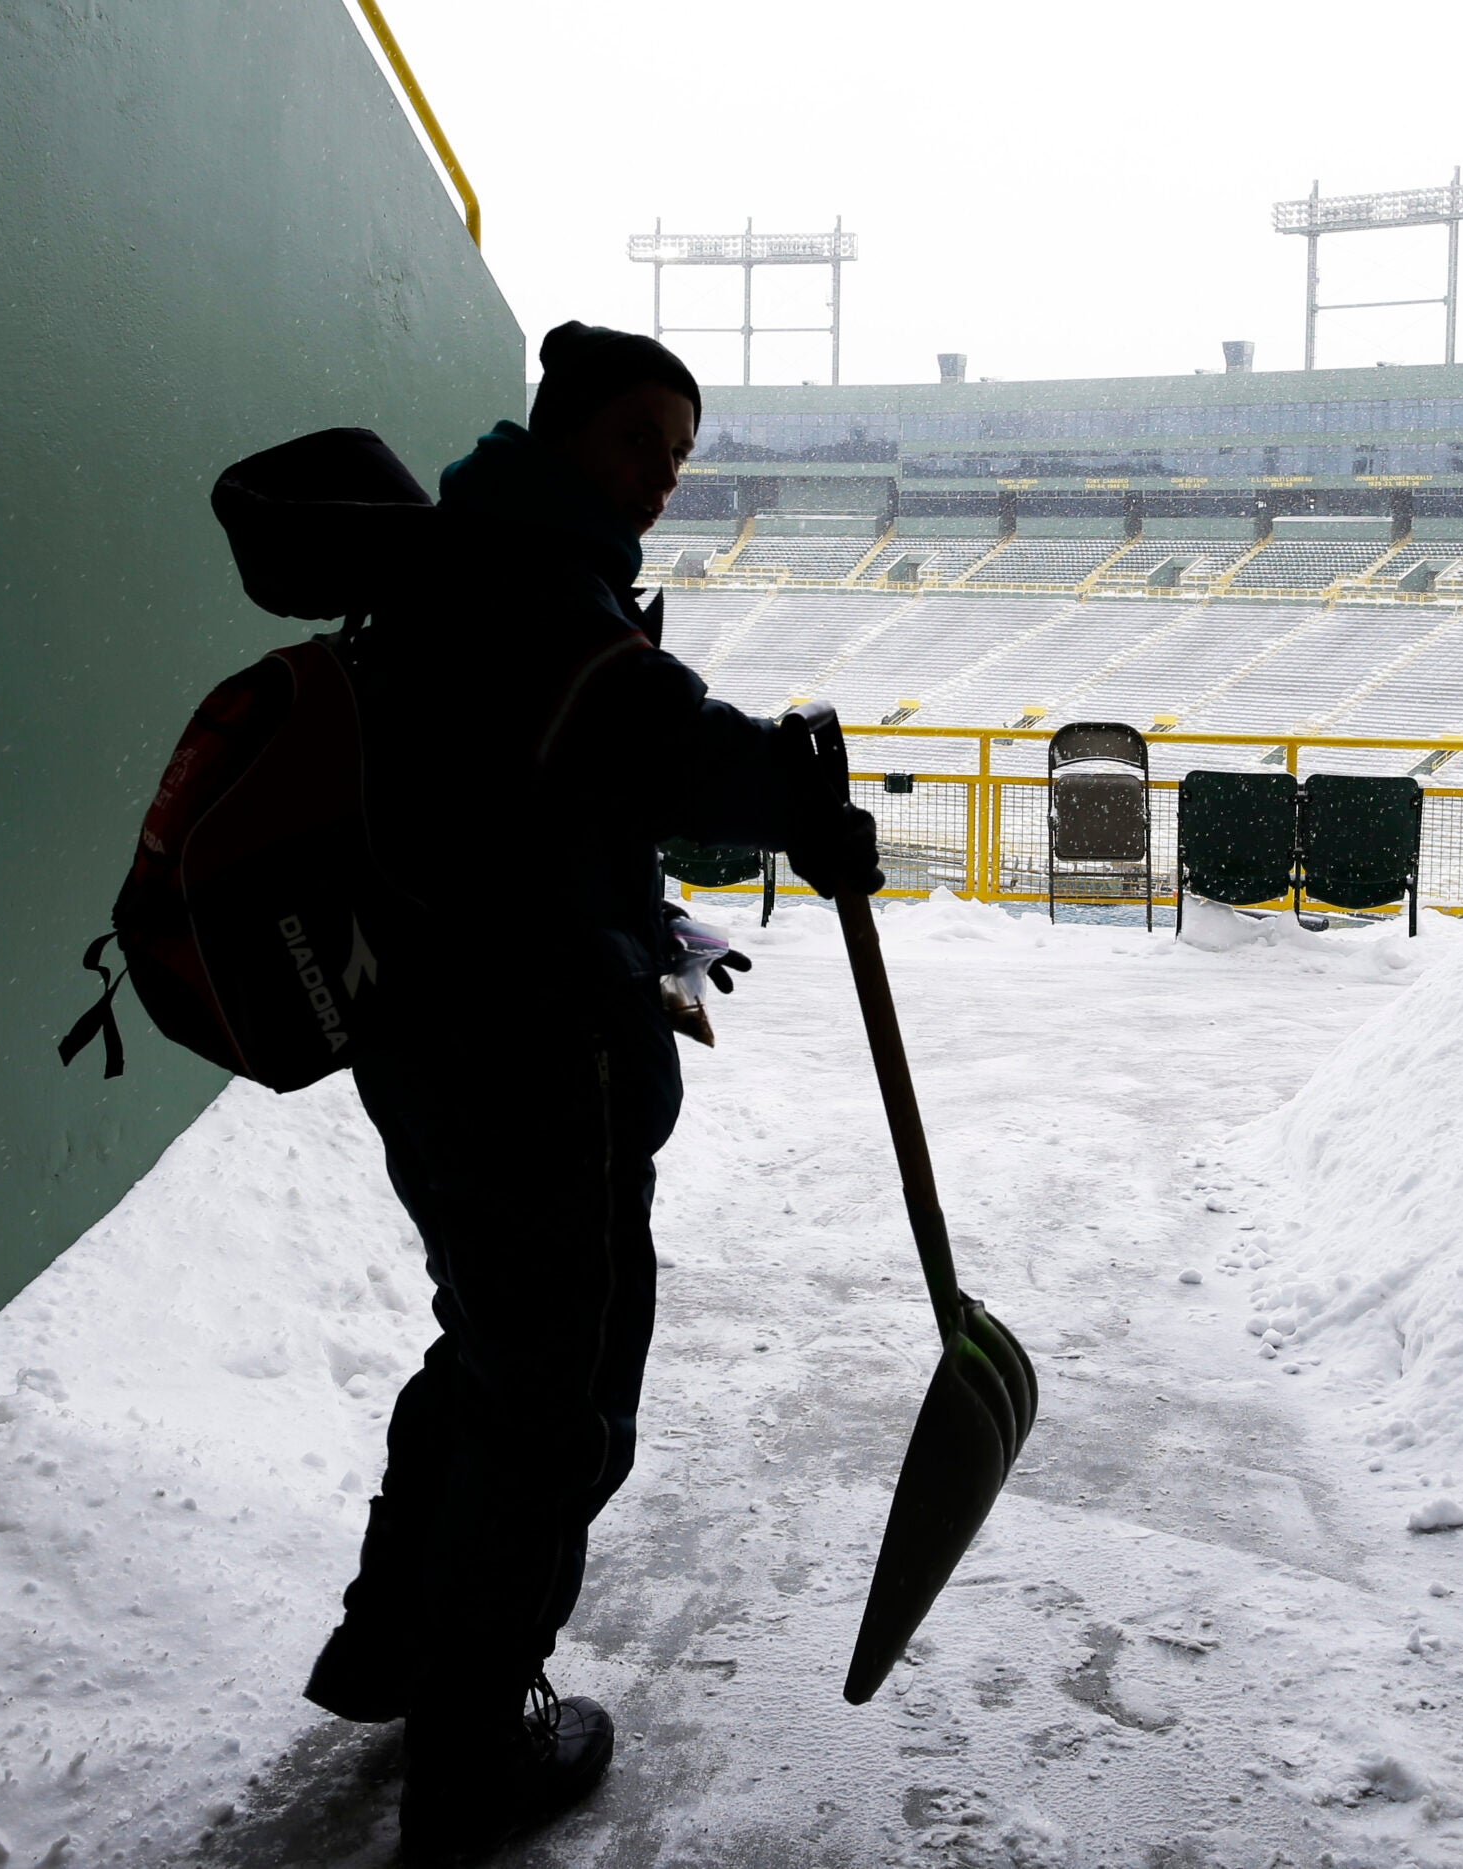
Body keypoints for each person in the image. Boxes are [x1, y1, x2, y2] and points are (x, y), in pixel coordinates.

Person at [279, 323, 881, 1860]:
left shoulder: (482, 559)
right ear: (567, 434)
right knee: (559, 1403)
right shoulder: (531, 585)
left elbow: (543, 803)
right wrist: (798, 800)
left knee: (491, 1352)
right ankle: (471, 1745)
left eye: (679, 457)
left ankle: (395, 1645)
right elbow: (658, 740)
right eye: (641, 446)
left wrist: (645, 916)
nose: (662, 478)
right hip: (517, 1061)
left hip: (447, 1032)